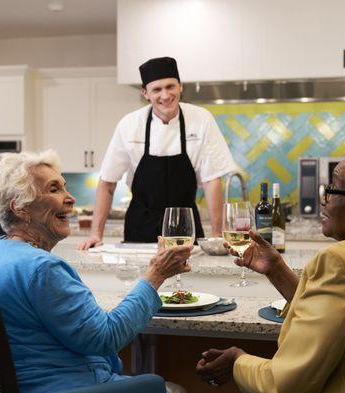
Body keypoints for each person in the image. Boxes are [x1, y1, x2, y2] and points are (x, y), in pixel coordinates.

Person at [196, 147, 345, 393]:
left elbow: (288, 384)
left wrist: (237, 361)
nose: (325, 200)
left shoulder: (341, 261)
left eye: (332, 189)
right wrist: (277, 270)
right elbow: (343, 312)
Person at [0, 150, 191, 393]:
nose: (70, 198)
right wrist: (156, 275)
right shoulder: (42, 268)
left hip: (25, 390)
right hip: (73, 389)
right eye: (54, 189)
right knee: (172, 392)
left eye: (64, 187)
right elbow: (106, 337)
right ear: (20, 207)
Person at [78, 56, 235, 249]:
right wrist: (95, 234)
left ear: (180, 87)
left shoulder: (201, 119)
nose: (165, 95)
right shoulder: (130, 124)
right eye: (157, 89)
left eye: (170, 87)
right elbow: (107, 183)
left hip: (185, 226)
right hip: (140, 227)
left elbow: (211, 180)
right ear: (145, 93)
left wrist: (218, 235)